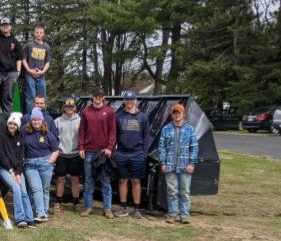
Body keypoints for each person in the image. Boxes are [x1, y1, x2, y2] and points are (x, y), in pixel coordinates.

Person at [79, 87, 117, 218]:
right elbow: (82, 131)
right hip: (89, 151)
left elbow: (113, 132)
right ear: (92, 96)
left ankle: (107, 209)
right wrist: (81, 147)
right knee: (89, 181)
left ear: (103, 97)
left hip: (103, 153)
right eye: (95, 95)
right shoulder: (85, 112)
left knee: (105, 181)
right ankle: (88, 207)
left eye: (100, 95)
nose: (97, 98)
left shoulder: (110, 112)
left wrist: (110, 148)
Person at [114, 90, 151, 219]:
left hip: (137, 154)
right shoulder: (118, 116)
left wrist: (144, 153)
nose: (129, 102)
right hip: (122, 153)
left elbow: (146, 136)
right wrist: (115, 151)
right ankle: (123, 207)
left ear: (136, 101)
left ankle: (136, 209)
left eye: (132, 100)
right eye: (127, 99)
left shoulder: (143, 117)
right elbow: (115, 135)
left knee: (136, 181)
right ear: (124, 101)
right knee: (122, 180)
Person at [159, 104, 198, 224]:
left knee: (185, 191)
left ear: (183, 114)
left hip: (185, 166)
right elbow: (162, 147)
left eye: (179, 113)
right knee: (172, 191)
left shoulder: (190, 129)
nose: (177, 115)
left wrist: (192, 163)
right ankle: (172, 214)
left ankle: (184, 215)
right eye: (174, 113)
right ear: (171, 115)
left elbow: (194, 147)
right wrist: (163, 162)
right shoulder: (166, 129)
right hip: (170, 165)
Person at [0, 112, 34, 228]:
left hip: (17, 170)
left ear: (18, 126)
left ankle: (29, 218)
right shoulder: (0, 136)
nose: (12, 126)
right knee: (16, 188)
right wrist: (11, 171)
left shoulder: (20, 138)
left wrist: (18, 173)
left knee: (23, 191)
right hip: (5, 169)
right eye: (10, 124)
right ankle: (20, 218)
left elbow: (21, 158)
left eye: (14, 124)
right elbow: (1, 155)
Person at [23, 108, 60, 223]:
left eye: (38, 119)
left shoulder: (48, 134)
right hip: (30, 165)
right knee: (36, 189)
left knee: (44, 189)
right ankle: (41, 213)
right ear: (30, 121)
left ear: (42, 121)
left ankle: (44, 211)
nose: (36, 122)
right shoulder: (25, 133)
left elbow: (55, 150)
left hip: (45, 164)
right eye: (33, 119)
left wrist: (51, 161)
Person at [53, 97, 83, 212]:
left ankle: (76, 202)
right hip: (62, 154)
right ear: (64, 108)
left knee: (75, 180)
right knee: (60, 179)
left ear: (75, 108)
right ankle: (58, 201)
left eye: (71, 107)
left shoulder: (80, 120)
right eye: (67, 107)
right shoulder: (58, 121)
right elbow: (54, 138)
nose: (69, 109)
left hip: (75, 154)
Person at [22, 25, 51, 112]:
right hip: (30, 74)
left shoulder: (46, 46)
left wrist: (42, 72)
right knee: (31, 96)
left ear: (43, 34)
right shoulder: (29, 45)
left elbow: (48, 62)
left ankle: (42, 116)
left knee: (42, 97)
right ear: (34, 33)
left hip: (41, 75)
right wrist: (29, 70)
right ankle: (30, 116)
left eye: (40, 33)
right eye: (37, 32)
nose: (39, 34)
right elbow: (23, 59)